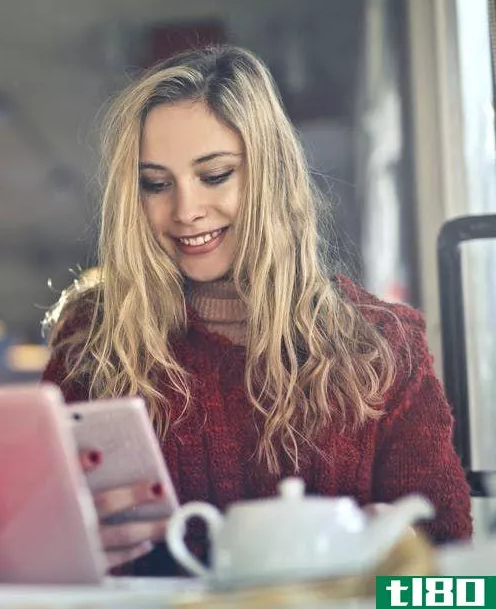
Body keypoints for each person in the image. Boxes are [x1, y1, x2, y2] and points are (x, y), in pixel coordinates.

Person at [41, 45, 473, 576]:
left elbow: (458, 578)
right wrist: (63, 546)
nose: (185, 210)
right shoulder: (93, 336)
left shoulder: (385, 342)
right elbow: (30, 539)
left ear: (272, 175)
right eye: (155, 184)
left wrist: (393, 557)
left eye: (215, 175)